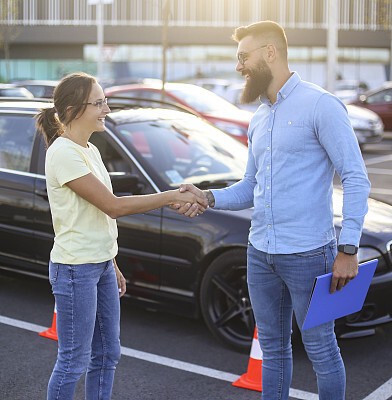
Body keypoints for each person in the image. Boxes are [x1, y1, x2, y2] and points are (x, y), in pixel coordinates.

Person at [176, 21, 370, 399]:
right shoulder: (259, 118)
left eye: (243, 57)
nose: (238, 67)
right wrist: (207, 197)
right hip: (260, 254)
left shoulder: (321, 105)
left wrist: (348, 249)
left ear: (270, 53)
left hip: (309, 255)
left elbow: (356, 178)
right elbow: (251, 186)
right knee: (273, 351)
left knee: (322, 352)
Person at [35, 72, 207, 400]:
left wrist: (110, 262)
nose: (107, 109)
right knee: (74, 360)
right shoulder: (63, 153)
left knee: (107, 354)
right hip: (74, 269)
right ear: (73, 109)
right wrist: (171, 196)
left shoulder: (90, 150)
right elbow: (112, 206)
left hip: (98, 264)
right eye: (98, 103)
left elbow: (96, 216)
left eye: (105, 101)